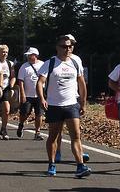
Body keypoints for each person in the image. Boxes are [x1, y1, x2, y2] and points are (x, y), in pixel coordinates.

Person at [37, 35, 91, 178]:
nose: (67, 49)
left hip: (71, 104)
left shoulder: (75, 61)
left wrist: (83, 102)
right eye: (64, 46)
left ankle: (80, 166)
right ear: (57, 48)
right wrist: (42, 98)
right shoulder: (50, 63)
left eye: (70, 46)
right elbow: (40, 82)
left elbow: (81, 82)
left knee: (76, 135)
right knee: (53, 136)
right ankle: (52, 163)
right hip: (54, 105)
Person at [16, 47, 44, 140]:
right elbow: (20, 81)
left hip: (39, 95)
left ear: (35, 55)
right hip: (28, 95)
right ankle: (21, 124)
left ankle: (37, 132)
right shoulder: (24, 66)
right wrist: (22, 94)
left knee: (39, 114)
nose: (28, 57)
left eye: (30, 55)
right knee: (25, 113)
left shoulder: (43, 65)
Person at [0, 44, 15, 140]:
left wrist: (11, 86)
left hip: (6, 88)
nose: (5, 54)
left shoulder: (9, 63)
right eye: (3, 52)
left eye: (6, 52)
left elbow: (13, 76)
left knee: (7, 109)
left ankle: (4, 129)